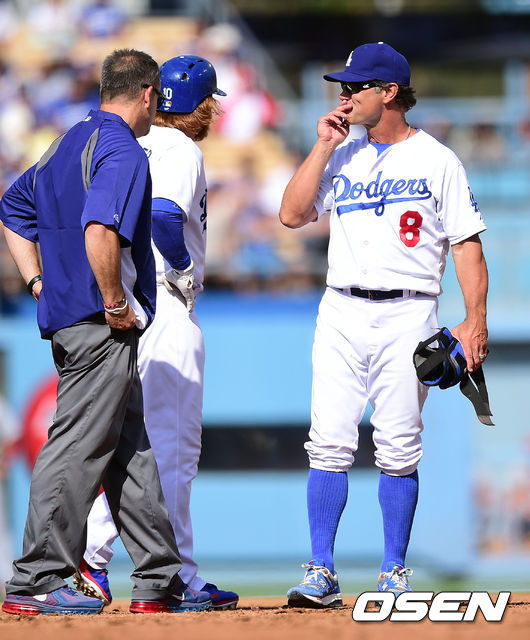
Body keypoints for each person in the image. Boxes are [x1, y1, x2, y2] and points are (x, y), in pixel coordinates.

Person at [0, 48, 211, 615]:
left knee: (131, 448)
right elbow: (100, 228)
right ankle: (37, 578)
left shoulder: (67, 142)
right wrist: (115, 300)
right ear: (148, 94)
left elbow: (12, 209)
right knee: (77, 445)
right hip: (100, 323)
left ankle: (160, 579)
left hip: (71, 316)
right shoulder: (122, 148)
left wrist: (36, 280)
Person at [280, 42, 489, 607]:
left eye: (355, 87)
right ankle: (321, 569)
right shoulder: (342, 153)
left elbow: (467, 245)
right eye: (343, 88)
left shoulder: (437, 160)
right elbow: (292, 214)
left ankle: (394, 569)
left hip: (409, 311)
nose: (344, 96)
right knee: (328, 441)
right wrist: (323, 146)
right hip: (341, 308)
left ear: (389, 92)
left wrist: (475, 320)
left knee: (398, 446)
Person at [74, 55, 239, 611]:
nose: (214, 111)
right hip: (164, 306)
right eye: (211, 101)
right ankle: (169, 575)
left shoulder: (121, 144)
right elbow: (167, 216)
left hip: (118, 309)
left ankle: (102, 563)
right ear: (201, 105)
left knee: (126, 449)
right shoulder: (179, 147)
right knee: (172, 451)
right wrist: (182, 268)